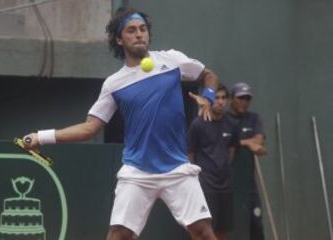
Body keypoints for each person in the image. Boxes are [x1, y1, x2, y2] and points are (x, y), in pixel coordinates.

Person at [23, 7, 220, 240]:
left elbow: (209, 75)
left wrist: (207, 97)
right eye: (131, 30)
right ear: (119, 39)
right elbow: (90, 128)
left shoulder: (172, 60)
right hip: (137, 171)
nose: (139, 34)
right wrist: (41, 136)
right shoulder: (114, 84)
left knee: (203, 232)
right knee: (119, 236)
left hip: (177, 167)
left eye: (143, 29)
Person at [188, 84, 240, 240]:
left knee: (221, 231)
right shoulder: (197, 124)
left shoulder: (231, 125)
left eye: (224, 98)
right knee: (201, 231)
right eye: (217, 98)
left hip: (225, 187)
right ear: (209, 100)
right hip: (205, 187)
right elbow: (190, 153)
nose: (220, 102)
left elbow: (231, 151)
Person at [228, 82, 267, 240]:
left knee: (256, 221)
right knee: (231, 226)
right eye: (240, 98)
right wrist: (245, 143)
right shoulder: (225, 119)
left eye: (247, 98)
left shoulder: (253, 118)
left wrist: (244, 143)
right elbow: (224, 143)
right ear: (232, 99)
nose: (244, 101)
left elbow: (259, 141)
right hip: (226, 182)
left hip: (249, 183)